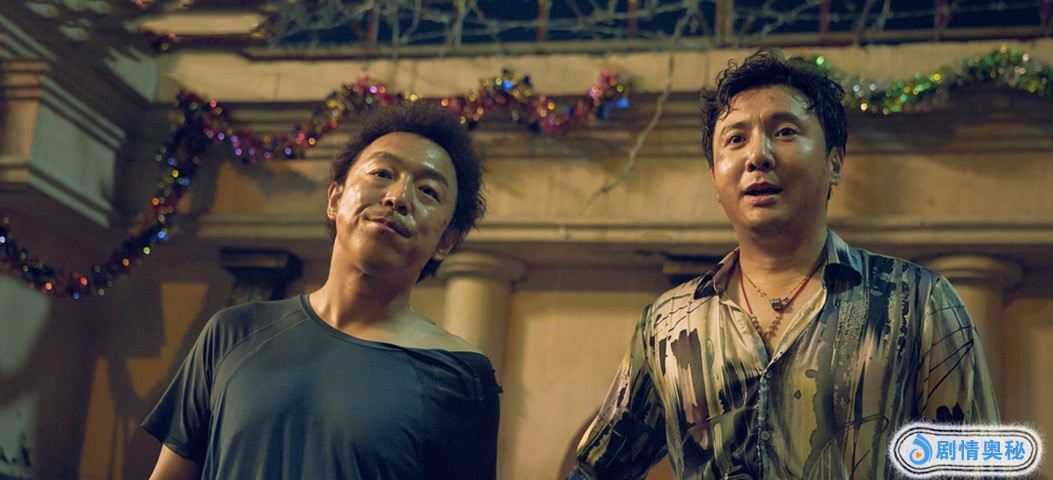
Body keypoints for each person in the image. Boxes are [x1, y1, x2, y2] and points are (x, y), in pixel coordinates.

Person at [570, 49, 998, 479]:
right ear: (715, 178)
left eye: (785, 131)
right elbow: (596, 470)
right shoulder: (668, 323)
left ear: (834, 163)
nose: (758, 155)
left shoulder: (917, 303)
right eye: (735, 139)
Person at [143, 102, 500, 479]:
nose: (397, 197)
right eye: (382, 173)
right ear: (334, 198)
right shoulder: (232, 332)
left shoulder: (460, 376)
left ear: (446, 241)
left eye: (428, 191)